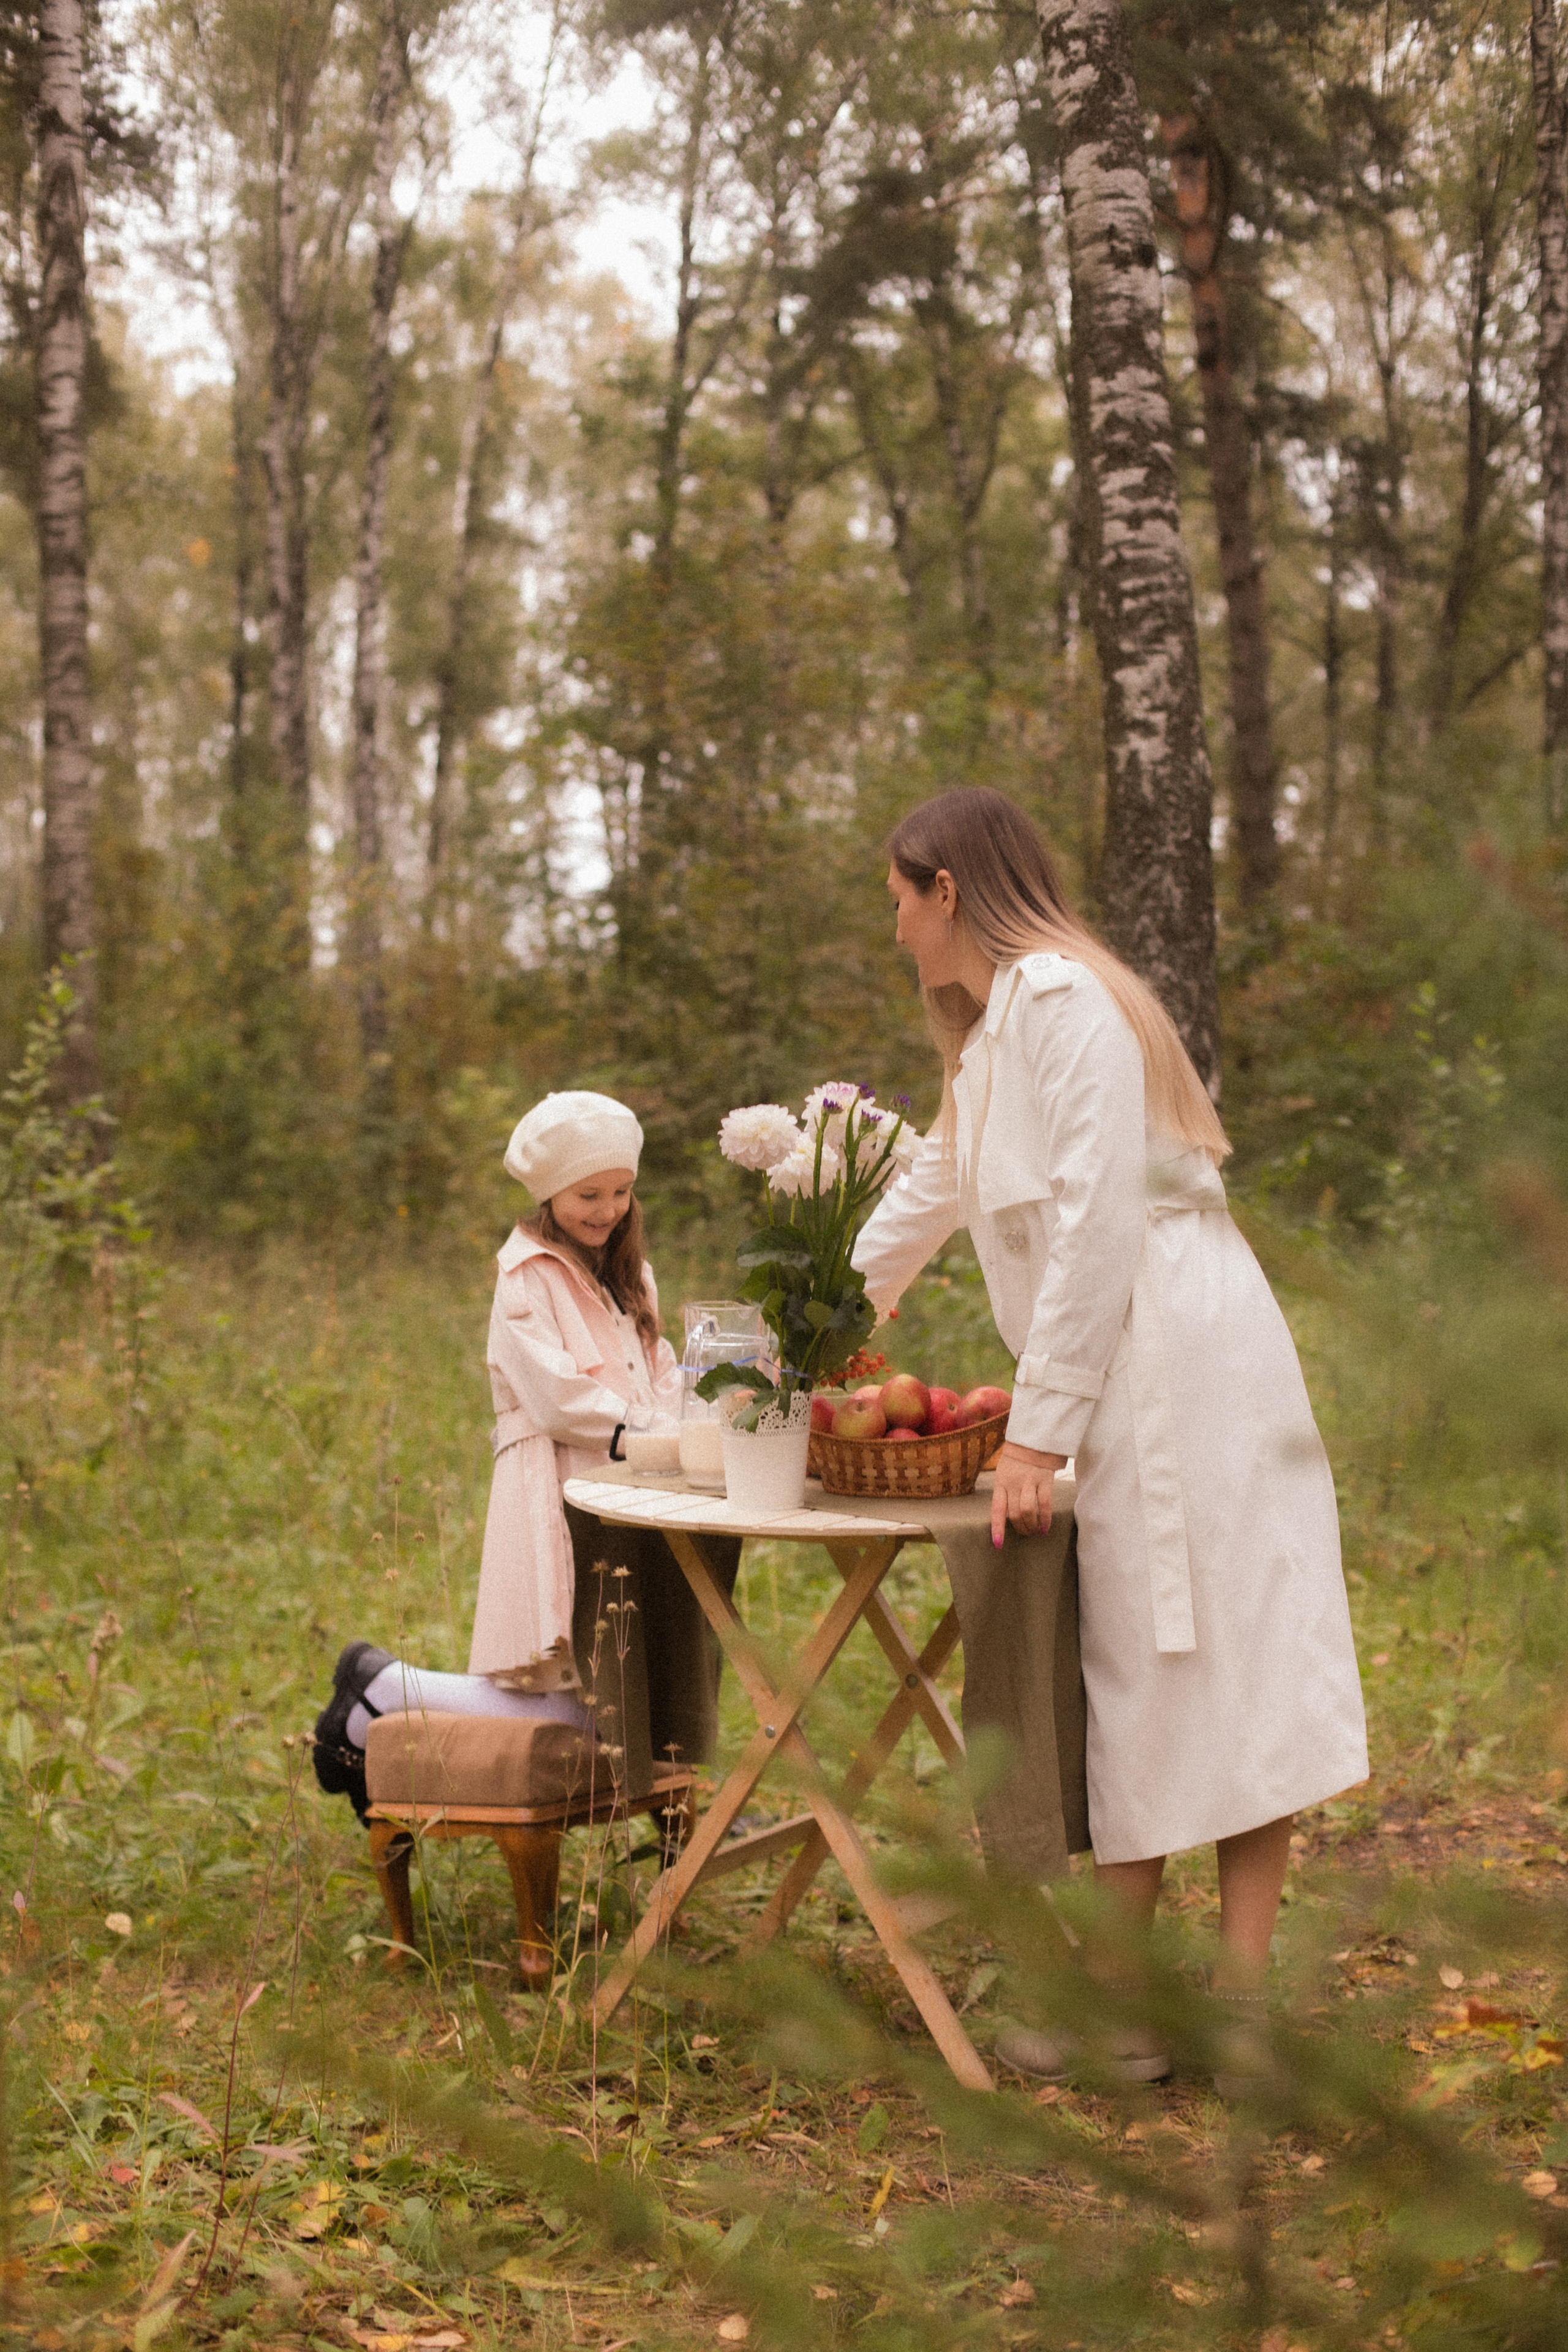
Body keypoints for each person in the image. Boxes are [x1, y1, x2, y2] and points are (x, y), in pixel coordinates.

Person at [851, 788, 1368, 2085]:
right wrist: (818, 1306)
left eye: (898, 896)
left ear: (948, 889)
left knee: (1204, 1657)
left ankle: (1211, 2016)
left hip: (1178, 1352)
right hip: (1129, 1357)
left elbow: (1096, 1222)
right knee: (1136, 1663)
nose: (894, 926)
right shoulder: (994, 1040)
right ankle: (1131, 2009)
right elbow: (929, 1186)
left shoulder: (1065, 1004)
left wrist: (1035, 1434)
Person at [313, 1091, 736, 1822]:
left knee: (613, 1677)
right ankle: (385, 1685)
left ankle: (382, 1686)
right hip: (558, 1483)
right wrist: (643, 1433)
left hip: (623, 1479)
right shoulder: (525, 1278)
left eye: (620, 1191)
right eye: (587, 1195)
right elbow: (554, 1396)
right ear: (549, 1194)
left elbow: (659, 1364)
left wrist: (682, 1421)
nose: (606, 1209)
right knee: (579, 1693)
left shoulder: (631, 1272)